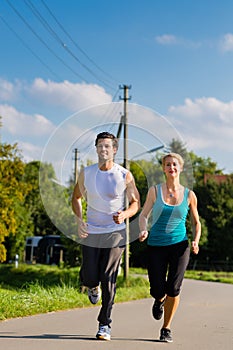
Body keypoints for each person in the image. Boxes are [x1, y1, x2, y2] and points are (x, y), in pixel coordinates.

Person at [72, 131, 140, 341]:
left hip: (115, 233)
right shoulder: (87, 173)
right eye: (100, 146)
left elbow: (135, 202)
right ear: (96, 149)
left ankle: (105, 324)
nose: (103, 149)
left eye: (107, 146)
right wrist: (79, 221)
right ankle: (92, 286)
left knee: (108, 277)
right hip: (91, 231)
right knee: (91, 275)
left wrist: (125, 214)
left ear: (114, 150)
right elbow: (76, 198)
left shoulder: (124, 175)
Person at [139, 152, 201, 343]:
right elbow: (143, 215)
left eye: (175, 164)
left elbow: (196, 222)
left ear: (180, 168)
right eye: (168, 165)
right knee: (157, 289)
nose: (171, 168)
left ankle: (166, 328)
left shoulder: (190, 195)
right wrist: (143, 230)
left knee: (174, 288)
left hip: (180, 245)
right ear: (163, 168)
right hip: (156, 244)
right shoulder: (154, 191)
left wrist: (196, 240)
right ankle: (159, 300)